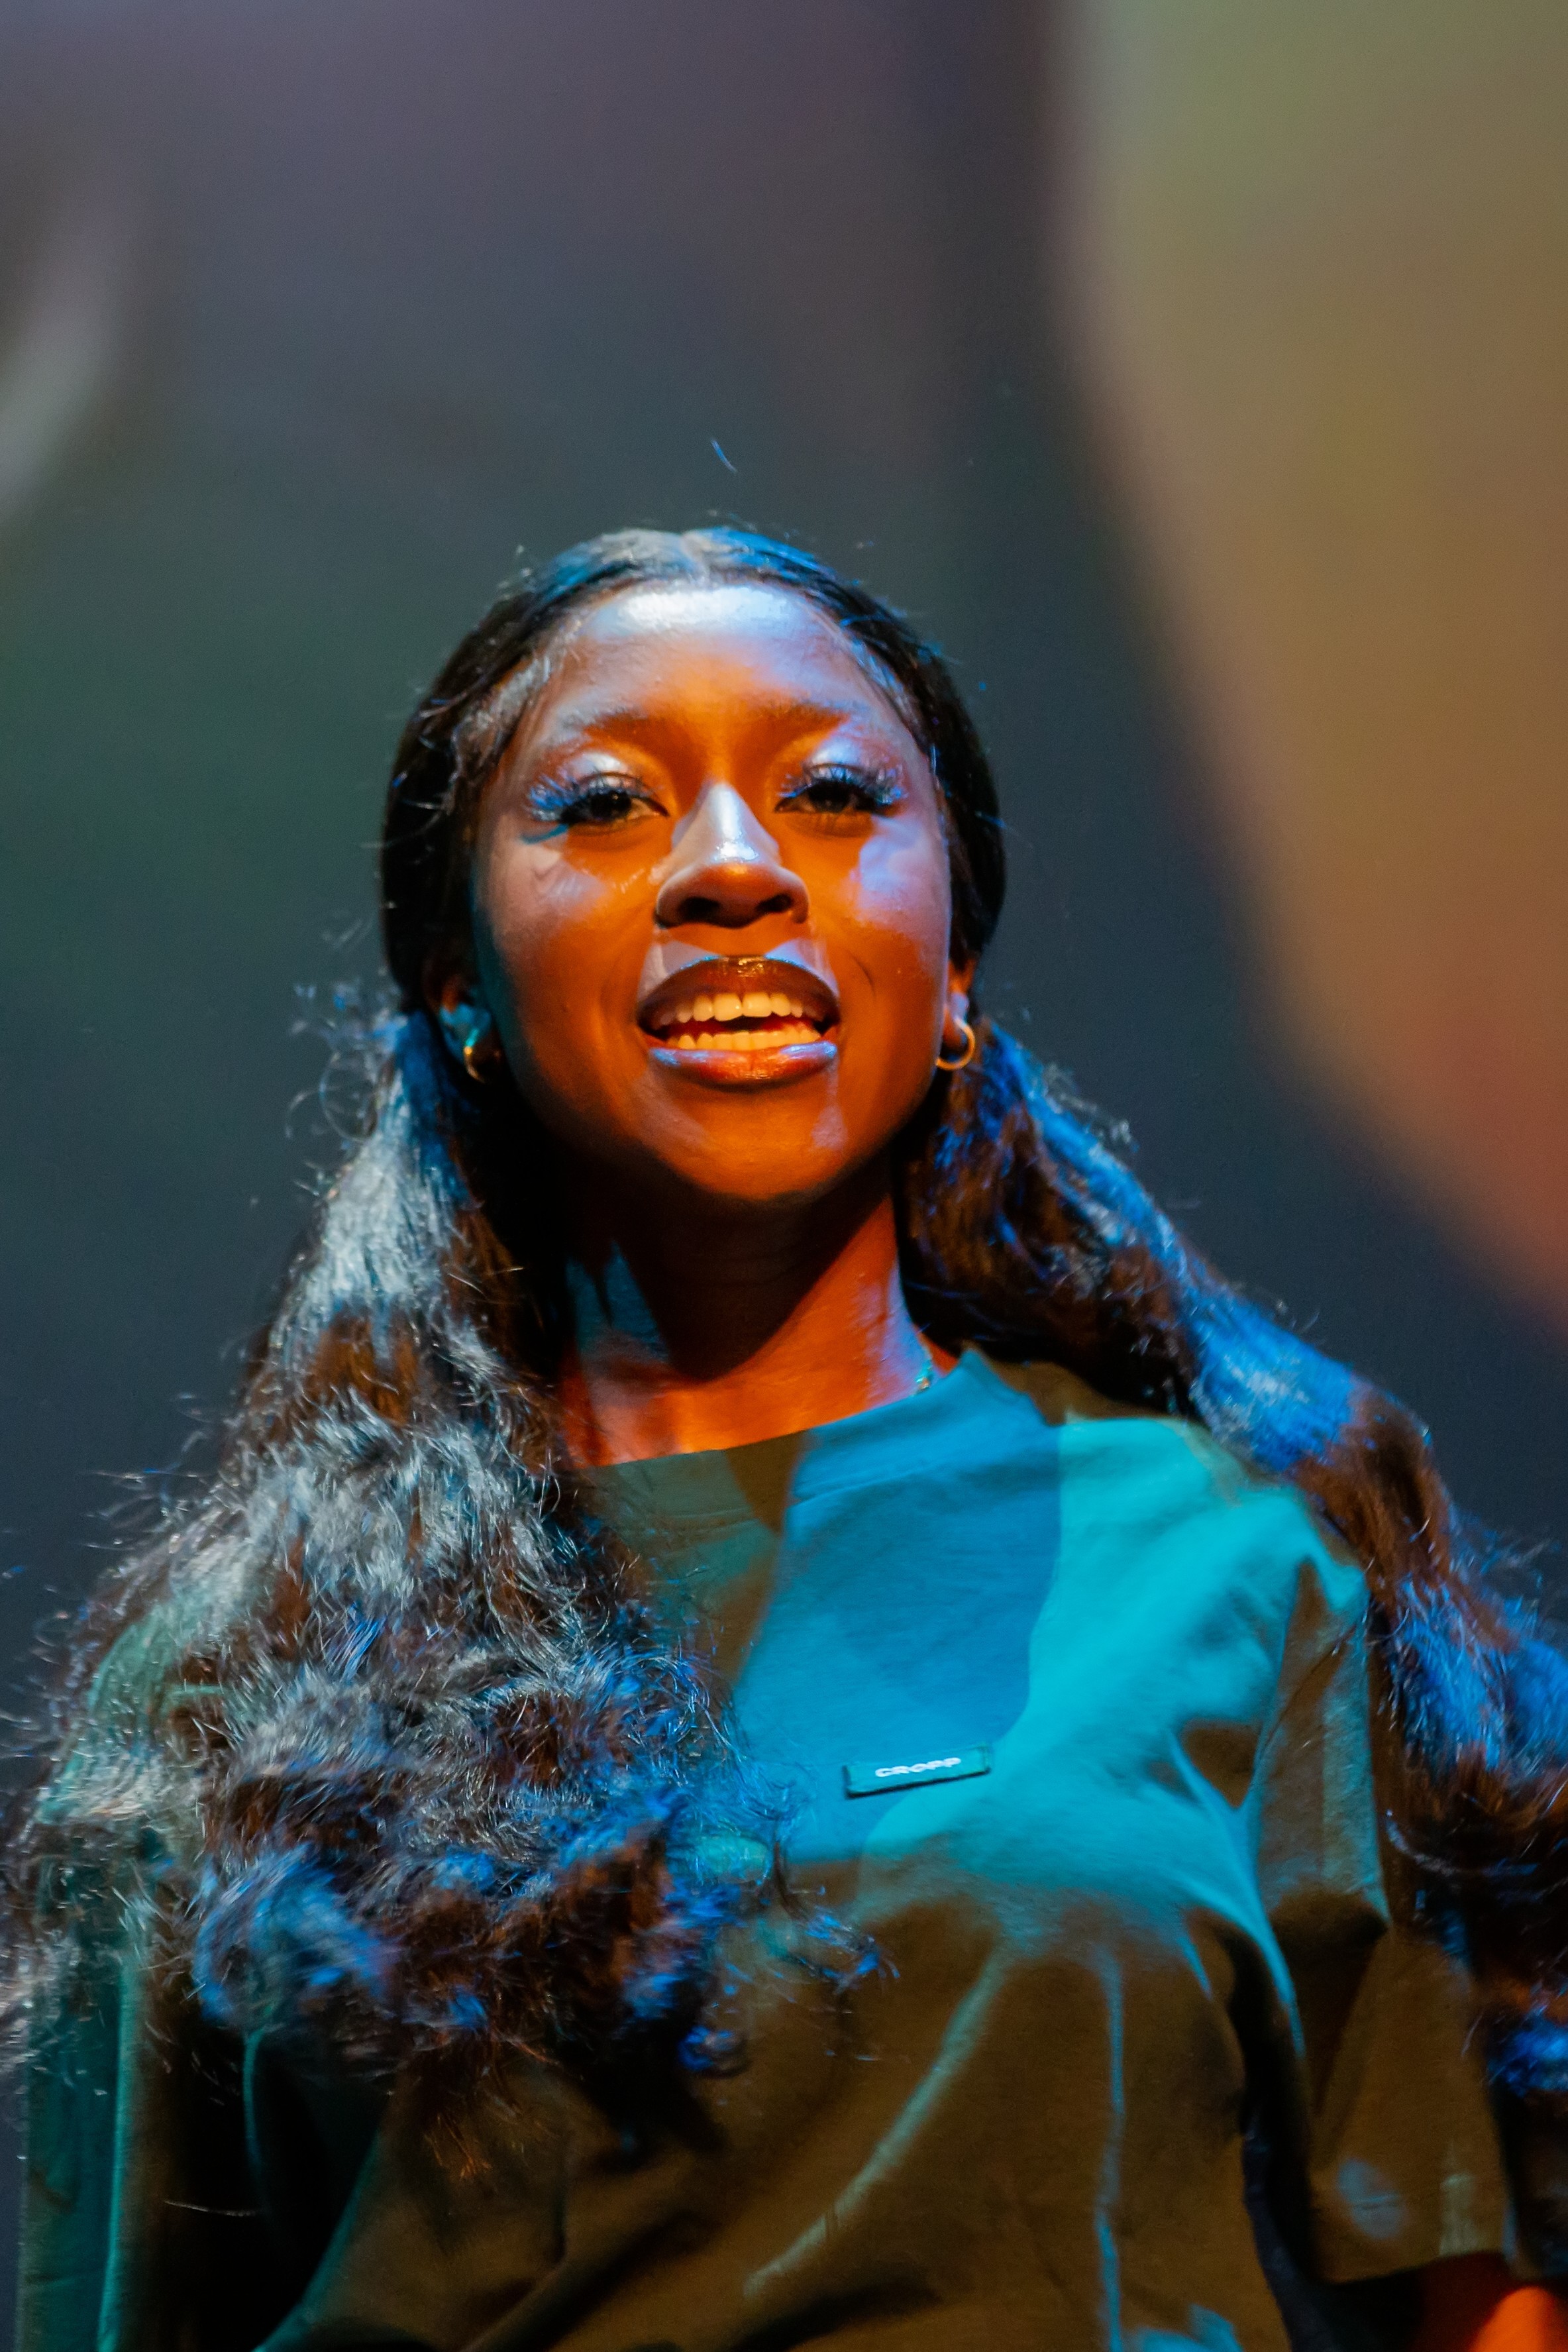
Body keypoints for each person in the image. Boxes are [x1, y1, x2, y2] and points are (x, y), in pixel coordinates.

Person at [7, 527, 1568, 2352]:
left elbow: (1478, 2301)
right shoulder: (245, 1689)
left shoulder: (1231, 1568)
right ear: (457, 987)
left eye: (833, 796)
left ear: (957, 967)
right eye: (605, 806)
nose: (736, 868)